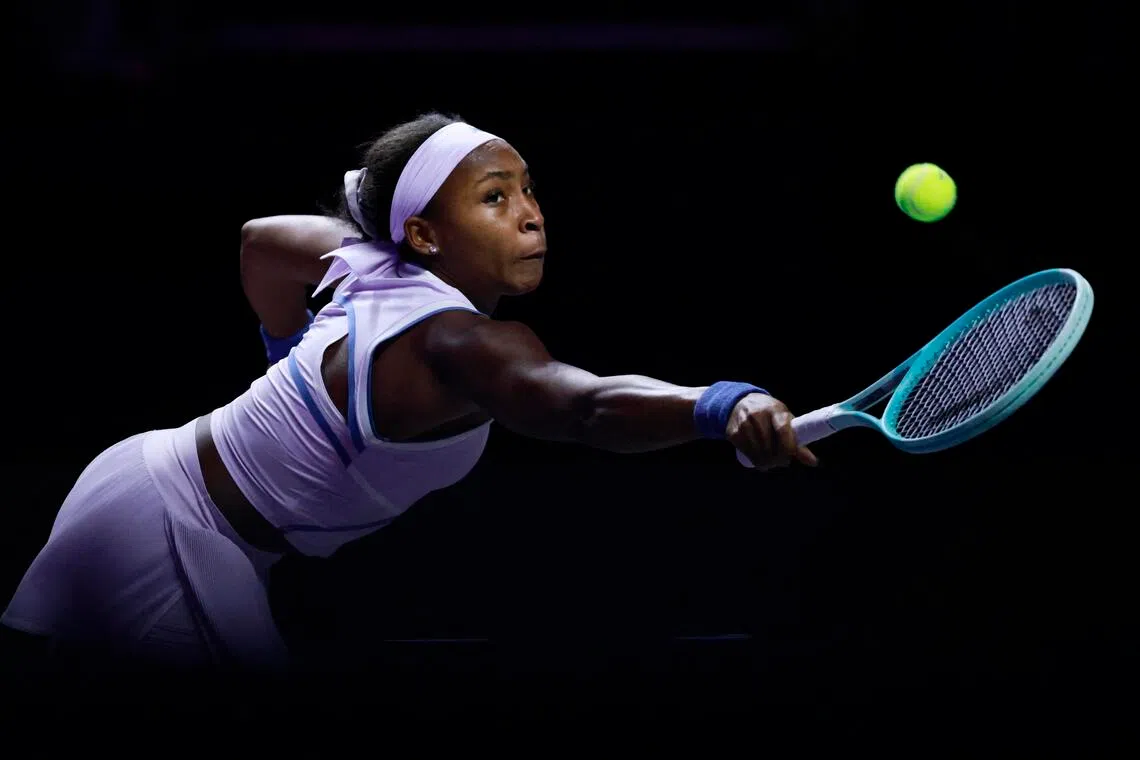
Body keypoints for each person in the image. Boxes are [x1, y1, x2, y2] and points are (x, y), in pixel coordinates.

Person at [1, 111, 817, 671]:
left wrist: (283, 348)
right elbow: (585, 406)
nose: (530, 215)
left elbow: (260, 243)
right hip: (173, 535)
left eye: (528, 189)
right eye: (495, 199)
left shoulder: (367, 261)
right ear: (424, 233)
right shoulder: (458, 341)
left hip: (141, 484)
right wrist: (720, 405)